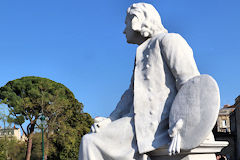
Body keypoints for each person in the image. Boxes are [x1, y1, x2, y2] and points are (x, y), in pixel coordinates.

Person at [79, 3, 200, 160]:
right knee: (93, 136)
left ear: (136, 21)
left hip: (159, 124)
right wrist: (111, 119)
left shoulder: (170, 40)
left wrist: (183, 123)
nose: (124, 30)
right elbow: (131, 94)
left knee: (90, 142)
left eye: (126, 24)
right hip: (136, 122)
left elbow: (190, 83)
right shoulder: (141, 53)